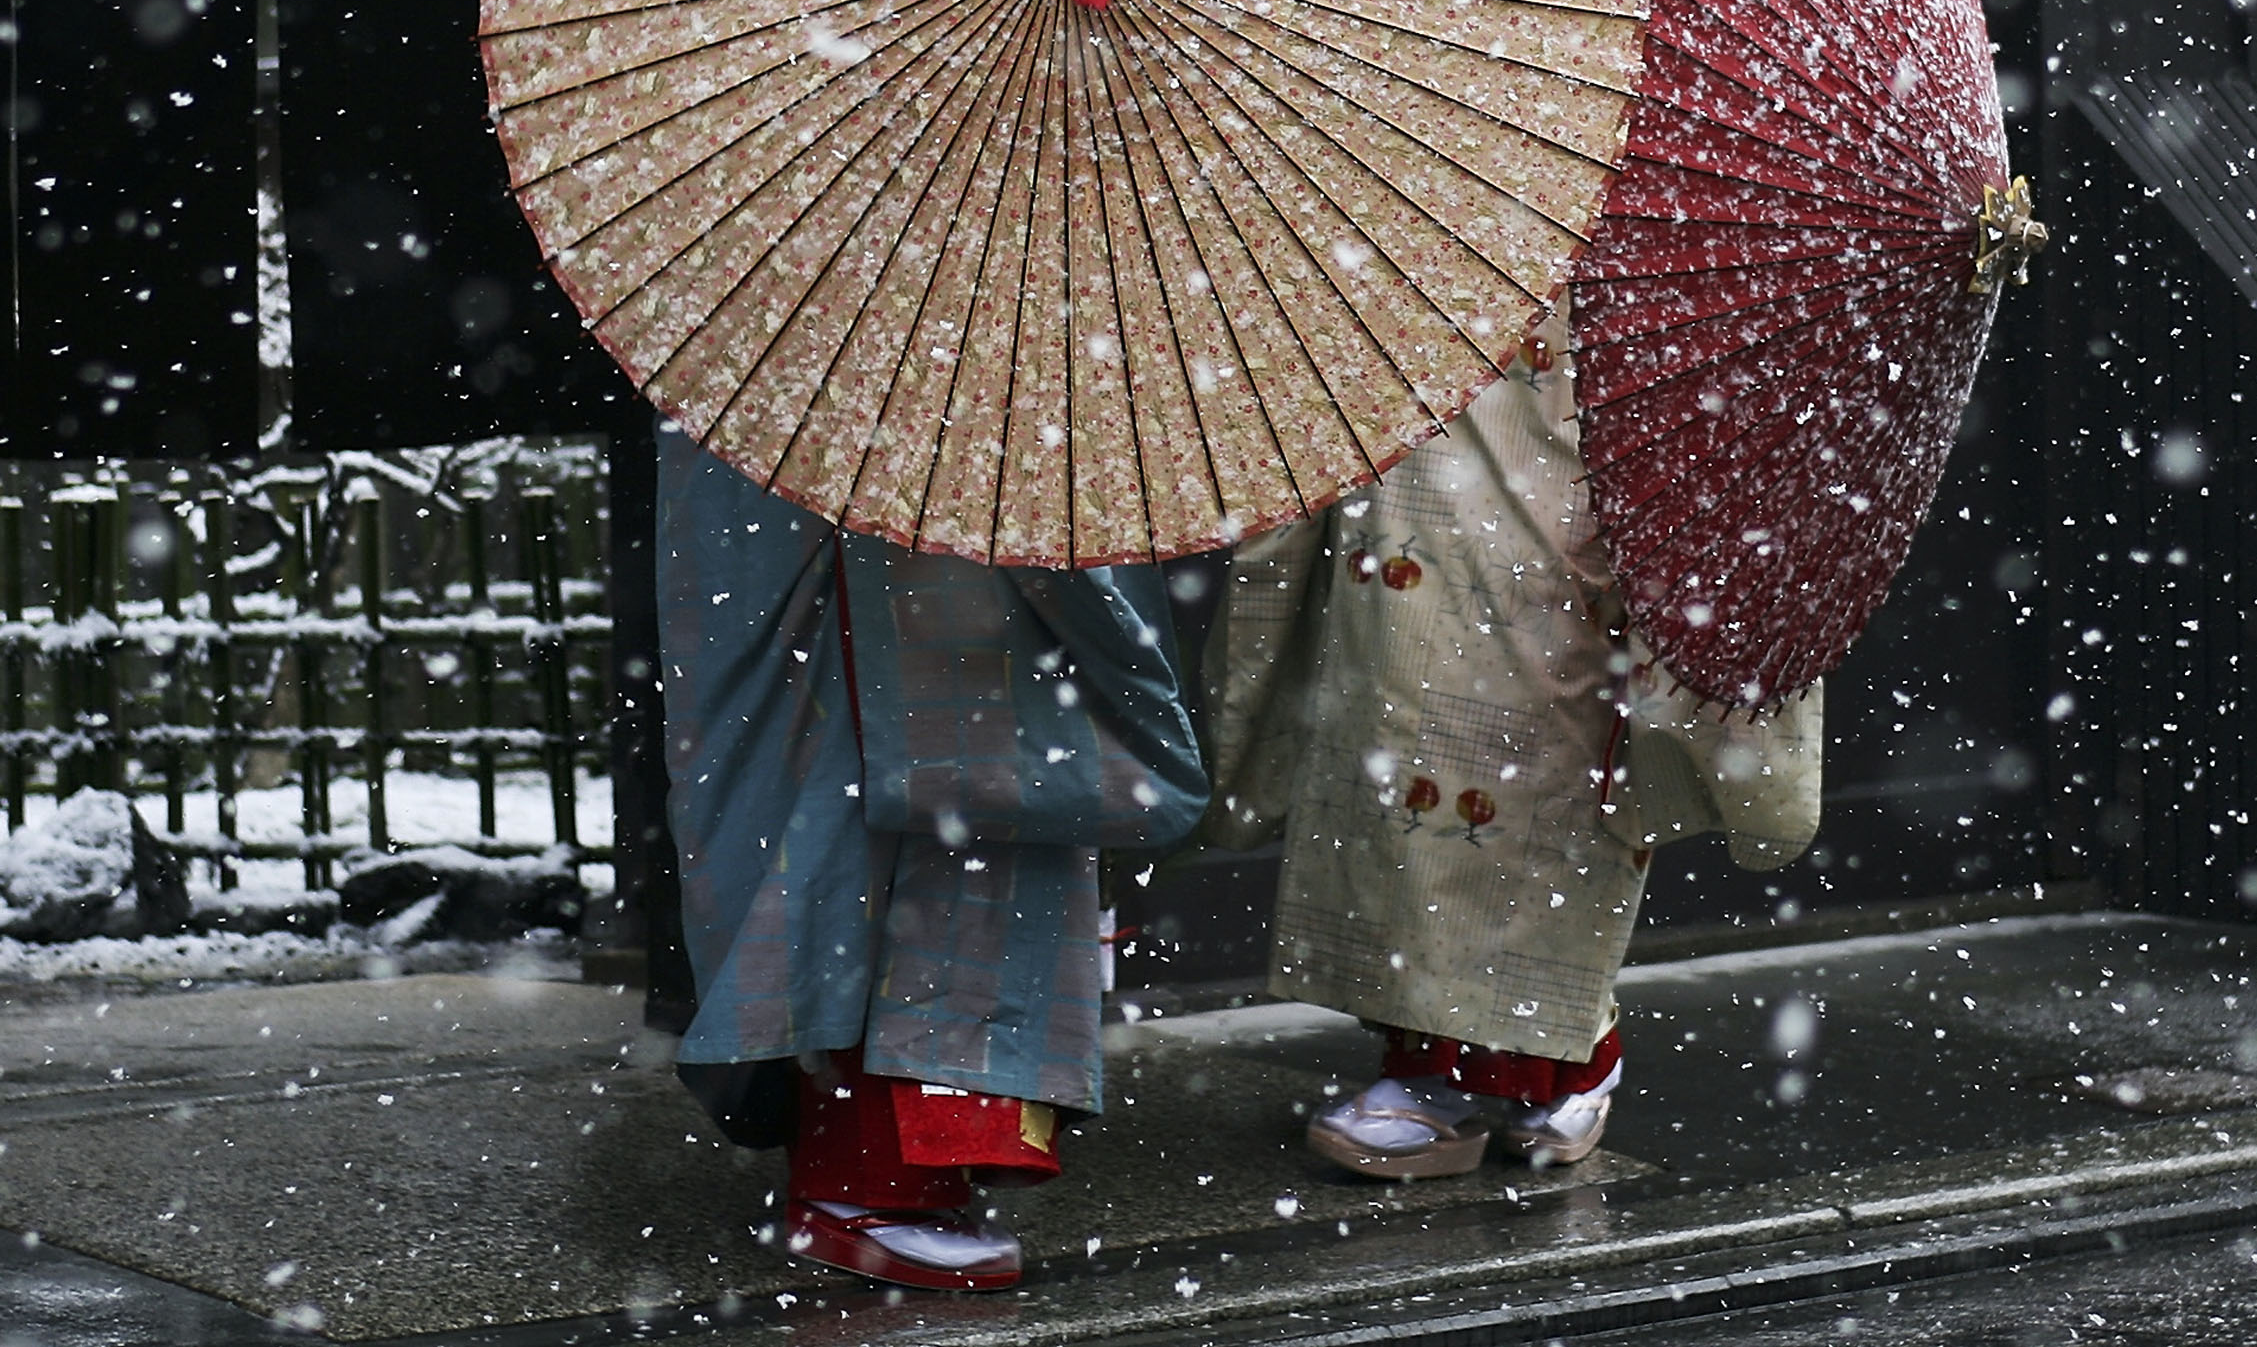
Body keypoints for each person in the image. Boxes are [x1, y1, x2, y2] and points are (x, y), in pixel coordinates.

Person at [1201, 305, 1823, 1177]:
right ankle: (1439, 1067)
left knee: (1546, 782)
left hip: (1569, 506)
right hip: (1424, 475)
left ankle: (1555, 1064)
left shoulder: (1669, 229)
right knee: (1410, 756)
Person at [656, 427, 1207, 1288]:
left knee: (994, 798)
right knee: (851, 826)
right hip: (841, 483)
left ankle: (927, 1159)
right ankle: (863, 1174)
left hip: (979, 451)